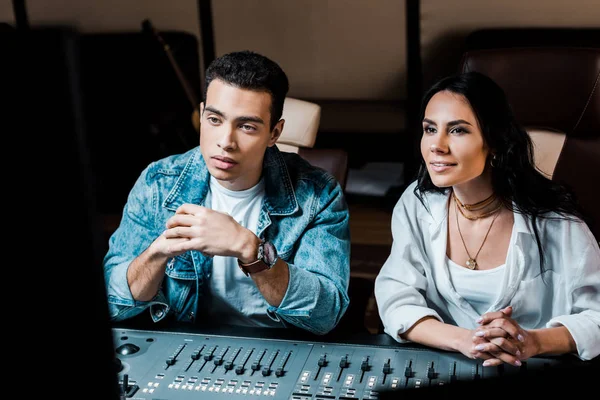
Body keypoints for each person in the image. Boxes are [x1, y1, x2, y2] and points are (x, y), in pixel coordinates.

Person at [103, 50, 350, 335]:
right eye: (215, 120)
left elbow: (325, 314)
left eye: (246, 126)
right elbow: (113, 305)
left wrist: (250, 249)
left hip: (281, 351)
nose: (226, 142)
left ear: (274, 133)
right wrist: (157, 253)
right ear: (201, 115)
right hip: (185, 349)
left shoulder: (319, 194)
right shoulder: (158, 182)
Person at [375, 71, 600, 365]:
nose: (437, 145)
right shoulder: (417, 204)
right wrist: (465, 340)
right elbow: (395, 299)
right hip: (442, 370)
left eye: (457, 130)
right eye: (430, 129)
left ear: (493, 142)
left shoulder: (557, 222)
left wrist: (531, 342)